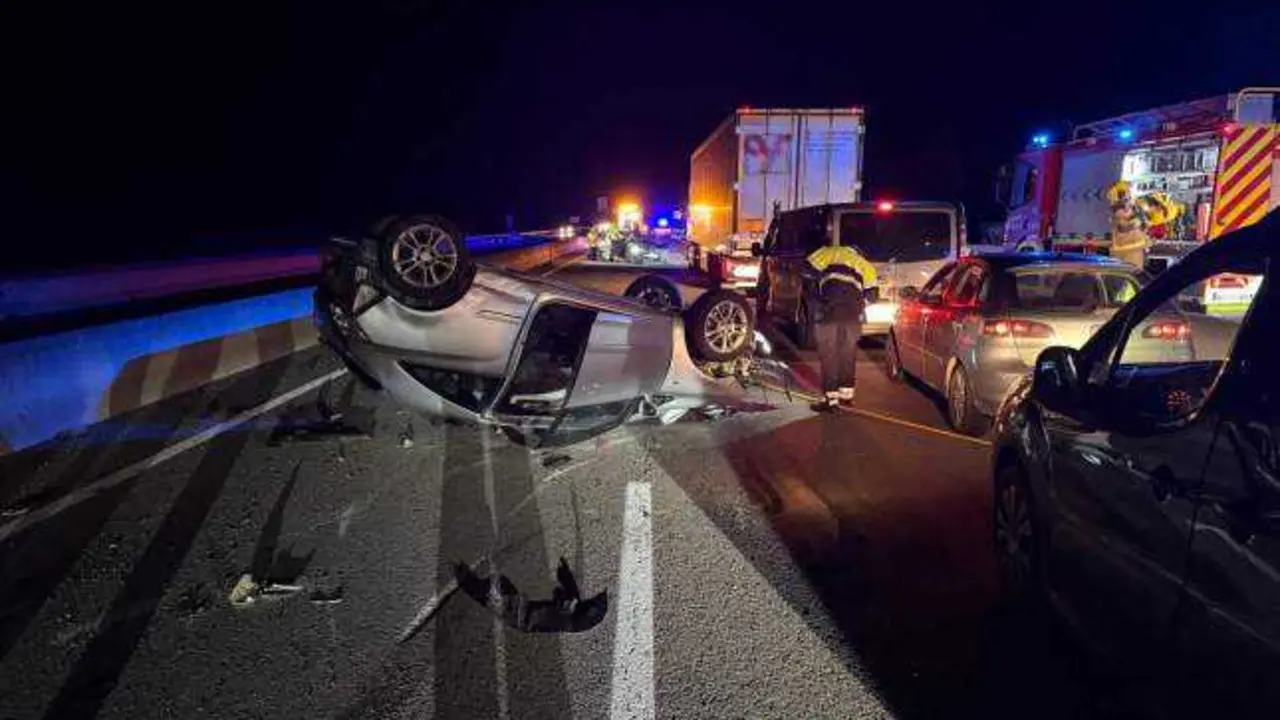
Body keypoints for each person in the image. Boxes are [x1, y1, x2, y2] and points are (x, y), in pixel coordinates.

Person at [803, 243, 877, 411]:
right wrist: (858, 306)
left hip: (829, 312)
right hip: (852, 317)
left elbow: (806, 270)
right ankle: (846, 396)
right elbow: (873, 296)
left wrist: (817, 297)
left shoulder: (828, 252)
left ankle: (831, 400)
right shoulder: (866, 266)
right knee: (847, 354)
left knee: (829, 355)